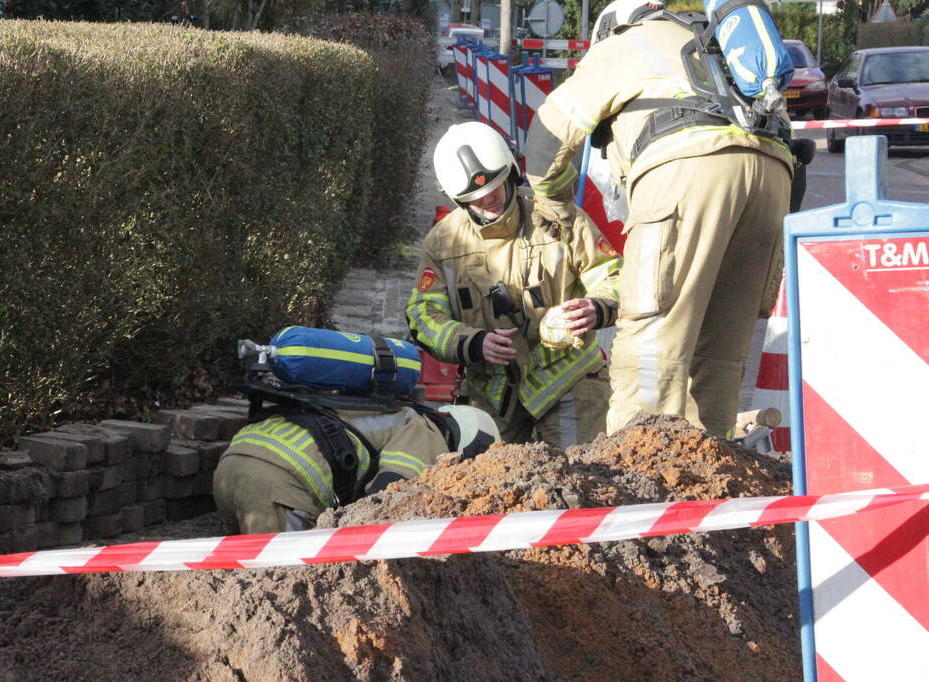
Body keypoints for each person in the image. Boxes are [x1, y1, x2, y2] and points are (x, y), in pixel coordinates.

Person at [523, 0, 795, 439]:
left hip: (688, 172)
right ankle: (708, 469)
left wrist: (553, 205)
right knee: (720, 350)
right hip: (773, 182)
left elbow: (547, 138)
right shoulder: (715, 45)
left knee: (651, 340)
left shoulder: (622, 44)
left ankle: (638, 471)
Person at [406, 121, 622, 448]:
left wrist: (596, 307)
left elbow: (612, 274)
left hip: (568, 378)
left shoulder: (558, 218)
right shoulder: (443, 244)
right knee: (488, 488)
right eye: (475, 198)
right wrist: (473, 343)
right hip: (492, 394)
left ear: (511, 172)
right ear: (457, 199)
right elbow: (423, 315)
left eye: (496, 186)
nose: (490, 199)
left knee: (584, 475)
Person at [214, 402, 498, 534]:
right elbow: (387, 499)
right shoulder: (428, 435)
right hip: (277, 488)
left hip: (230, 467)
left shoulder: (394, 411)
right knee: (284, 582)